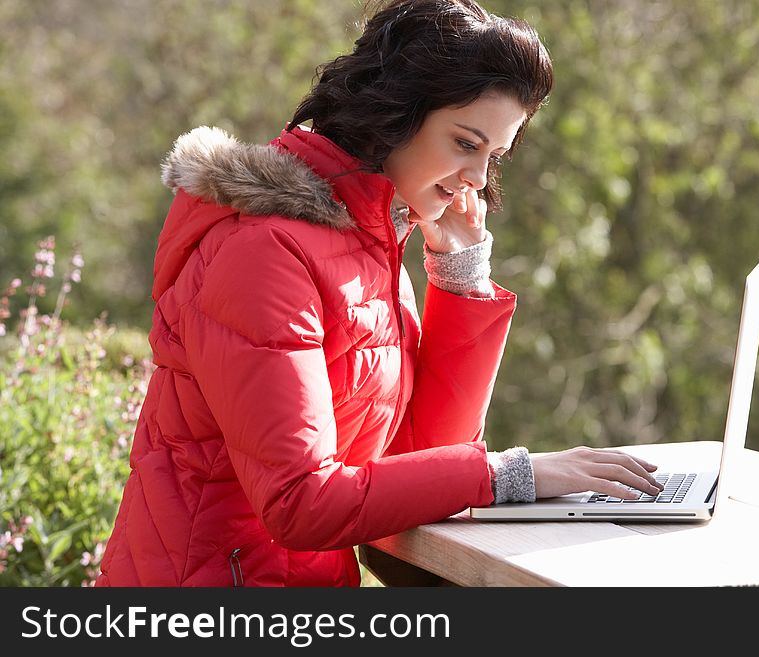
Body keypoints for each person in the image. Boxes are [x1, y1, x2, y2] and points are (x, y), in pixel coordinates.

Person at [96, 0, 663, 587]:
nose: (476, 178)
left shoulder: (367, 246)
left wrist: (460, 278)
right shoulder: (265, 251)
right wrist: (514, 474)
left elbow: (413, 461)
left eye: (494, 156)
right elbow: (301, 500)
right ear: (396, 112)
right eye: (466, 143)